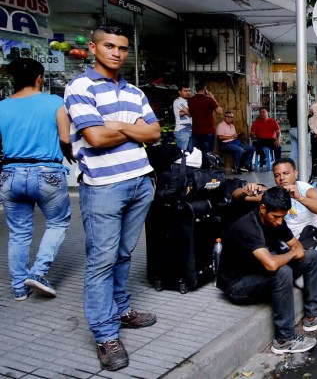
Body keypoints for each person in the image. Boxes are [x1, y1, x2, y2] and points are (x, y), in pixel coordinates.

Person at [64, 25, 161, 371]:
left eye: (122, 47)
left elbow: (153, 132)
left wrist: (115, 125)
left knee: (123, 254)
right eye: (109, 46)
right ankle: (105, 335)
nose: (117, 52)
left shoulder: (134, 90)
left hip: (139, 182)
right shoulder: (79, 87)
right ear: (92, 48)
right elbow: (94, 138)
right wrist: (129, 128)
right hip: (104, 186)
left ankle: (121, 310)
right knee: (102, 260)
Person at [217, 186, 317, 354]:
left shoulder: (276, 221)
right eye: (275, 217)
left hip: (260, 272)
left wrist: (296, 251)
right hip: (238, 285)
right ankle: (284, 340)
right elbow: (272, 264)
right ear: (262, 208)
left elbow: (297, 246)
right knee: (282, 271)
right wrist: (292, 254)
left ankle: (313, 316)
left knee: (311, 256)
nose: (279, 222)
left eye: (283, 217)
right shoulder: (247, 227)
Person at [232, 158, 317, 307]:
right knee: (300, 283)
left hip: (313, 239)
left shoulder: (307, 190)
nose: (282, 178)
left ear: (295, 173)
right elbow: (236, 197)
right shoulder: (273, 195)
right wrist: (244, 190)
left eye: (286, 173)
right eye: (277, 175)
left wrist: (299, 198)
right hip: (290, 246)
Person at [0, 58, 73, 302]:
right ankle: (39, 272)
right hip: (47, 173)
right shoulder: (54, 102)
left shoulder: (2, 106)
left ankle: (19, 288)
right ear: (39, 78)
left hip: (10, 173)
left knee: (19, 233)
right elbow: (65, 138)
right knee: (57, 223)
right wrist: (70, 155)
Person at [189, 80, 223, 154]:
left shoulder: (191, 100)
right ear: (204, 89)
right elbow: (220, 111)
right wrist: (213, 98)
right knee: (207, 154)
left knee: (195, 154)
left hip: (196, 131)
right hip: (207, 131)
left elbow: (190, 114)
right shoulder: (209, 100)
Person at [172, 83, 192, 151]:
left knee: (190, 154)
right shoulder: (178, 101)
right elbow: (190, 113)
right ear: (179, 92)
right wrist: (188, 112)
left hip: (190, 130)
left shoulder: (188, 101)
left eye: (189, 91)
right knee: (183, 154)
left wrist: (183, 112)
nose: (188, 93)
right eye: (185, 91)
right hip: (182, 131)